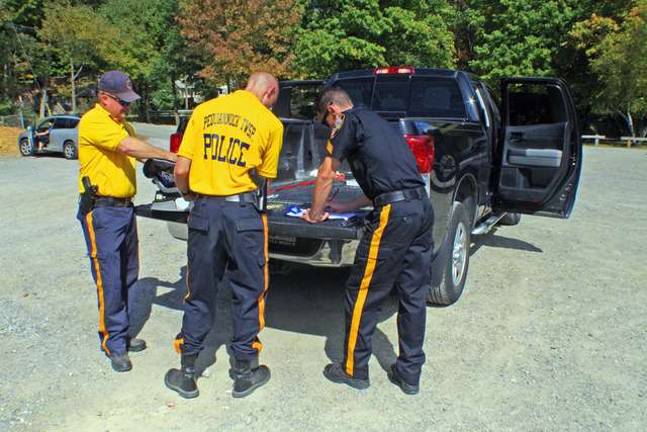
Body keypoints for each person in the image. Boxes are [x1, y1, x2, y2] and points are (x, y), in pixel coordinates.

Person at [302, 87, 434, 395]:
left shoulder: (348, 122)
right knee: (413, 294)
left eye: (325, 121)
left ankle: (353, 369)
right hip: (420, 208)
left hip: (395, 215)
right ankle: (409, 372)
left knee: (363, 292)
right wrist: (347, 207)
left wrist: (316, 212)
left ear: (333, 109)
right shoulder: (379, 123)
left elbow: (326, 173)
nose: (328, 128)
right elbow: (386, 180)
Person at [164, 72, 283, 399]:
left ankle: (187, 372)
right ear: (270, 92)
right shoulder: (271, 123)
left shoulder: (203, 110)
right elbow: (263, 178)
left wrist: (190, 196)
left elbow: (180, 169)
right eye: (274, 98)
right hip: (243, 214)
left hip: (205, 211)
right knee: (248, 289)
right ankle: (245, 371)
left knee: (199, 289)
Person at [77, 70, 177, 372]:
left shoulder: (121, 124)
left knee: (128, 273)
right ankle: (114, 342)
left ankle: (122, 331)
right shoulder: (94, 122)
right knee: (109, 278)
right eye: (123, 103)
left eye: (129, 103)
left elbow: (139, 154)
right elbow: (128, 148)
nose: (127, 108)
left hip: (124, 209)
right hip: (102, 210)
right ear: (104, 98)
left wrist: (160, 167)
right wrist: (172, 155)